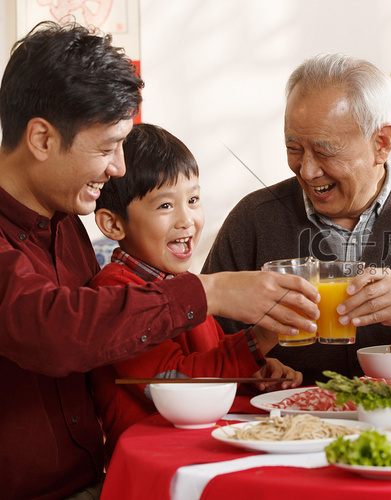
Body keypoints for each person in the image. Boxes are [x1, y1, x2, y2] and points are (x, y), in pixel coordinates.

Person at [0, 22, 318, 499]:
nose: (118, 168)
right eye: (107, 148)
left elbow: (109, 341)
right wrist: (211, 291)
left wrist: (252, 363)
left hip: (96, 481)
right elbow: (52, 330)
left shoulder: (65, 224)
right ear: (42, 139)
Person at [202, 53, 391, 385]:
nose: (307, 171)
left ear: (381, 144)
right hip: (287, 418)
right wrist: (248, 367)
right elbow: (206, 337)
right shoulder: (254, 218)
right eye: (294, 148)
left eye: (324, 151)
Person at [89, 122, 304, 461]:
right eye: (165, 206)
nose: (187, 219)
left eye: (192, 199)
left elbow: (213, 361)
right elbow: (174, 384)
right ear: (114, 224)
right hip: (153, 464)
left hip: (198, 450)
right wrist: (262, 335)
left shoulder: (184, 285)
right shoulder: (115, 291)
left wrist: (258, 374)